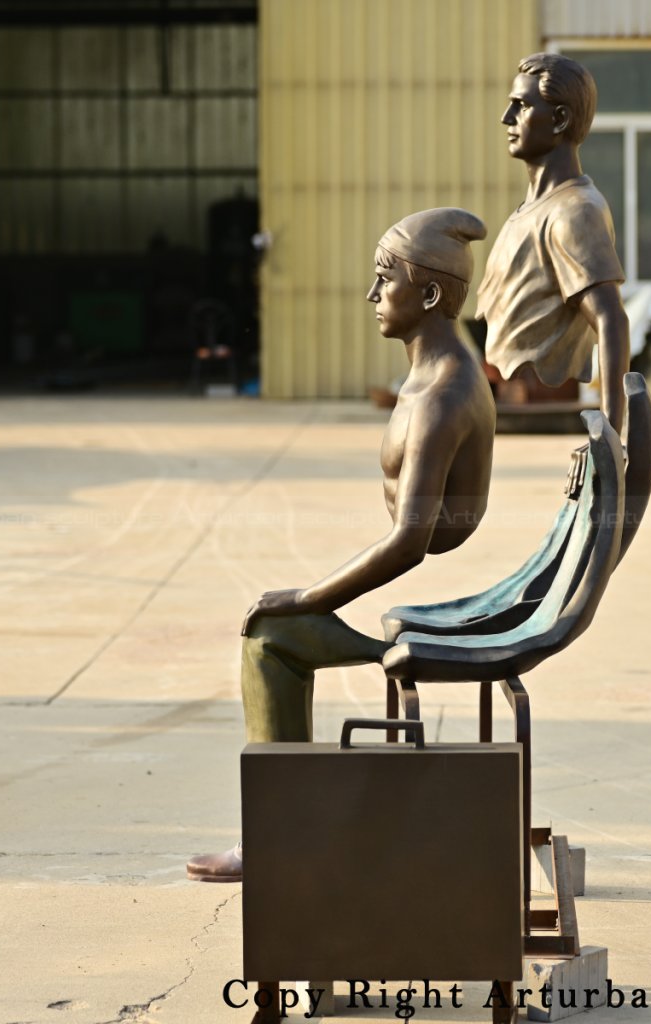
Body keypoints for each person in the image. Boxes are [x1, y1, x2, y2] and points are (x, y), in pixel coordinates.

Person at [188, 207, 494, 881]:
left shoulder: (442, 394)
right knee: (281, 626)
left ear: (432, 294)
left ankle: (281, 838)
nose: (371, 295)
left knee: (272, 637)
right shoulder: (438, 374)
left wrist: (306, 596)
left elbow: (411, 541)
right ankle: (287, 828)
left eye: (385, 279)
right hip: (438, 602)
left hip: (438, 609)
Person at [477, 52, 630, 434]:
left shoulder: (574, 213)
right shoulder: (532, 210)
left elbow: (611, 318)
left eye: (522, 106)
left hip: (536, 406)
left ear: (560, 119)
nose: (506, 119)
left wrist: (610, 434)